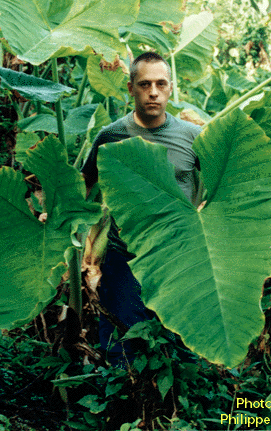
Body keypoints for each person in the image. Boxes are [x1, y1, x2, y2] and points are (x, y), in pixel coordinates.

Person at [81, 51, 202, 366]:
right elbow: (83, 185)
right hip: (125, 258)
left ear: (171, 88)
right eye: (144, 84)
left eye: (161, 84)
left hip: (177, 256)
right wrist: (53, 215)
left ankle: (173, 412)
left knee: (180, 346)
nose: (153, 92)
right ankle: (122, 409)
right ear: (131, 87)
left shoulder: (193, 137)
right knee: (122, 349)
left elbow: (221, 185)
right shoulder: (111, 136)